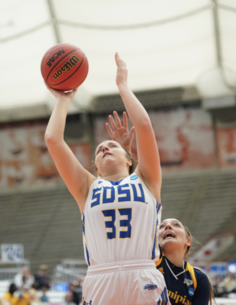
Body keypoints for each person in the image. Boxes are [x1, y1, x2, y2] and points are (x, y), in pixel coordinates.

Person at [45, 53, 167, 305]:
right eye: (99, 149)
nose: (103, 148)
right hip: (100, 278)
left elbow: (143, 125)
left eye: (111, 145)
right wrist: (62, 99)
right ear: (97, 170)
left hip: (142, 274)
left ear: (129, 158)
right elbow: (53, 140)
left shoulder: (147, 180)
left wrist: (123, 85)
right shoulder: (87, 187)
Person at [105, 112, 214, 305]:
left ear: (188, 241)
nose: (168, 227)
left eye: (175, 225)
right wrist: (124, 152)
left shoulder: (198, 279)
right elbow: (128, 201)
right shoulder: (149, 261)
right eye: (162, 226)